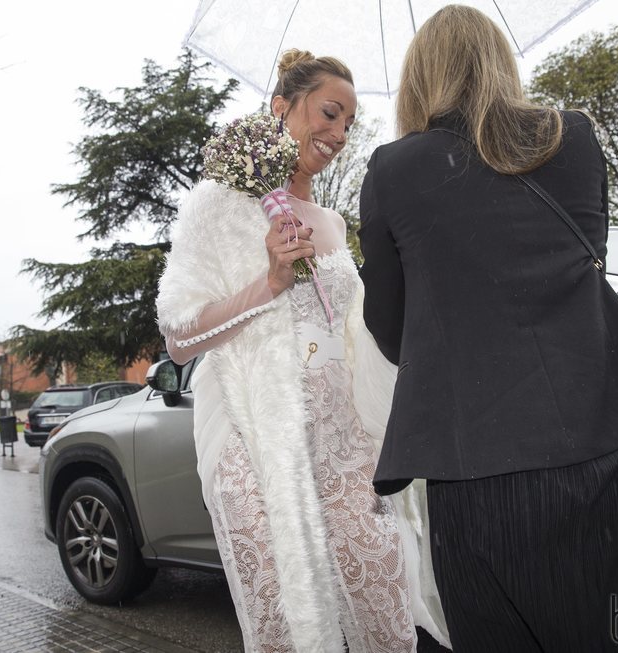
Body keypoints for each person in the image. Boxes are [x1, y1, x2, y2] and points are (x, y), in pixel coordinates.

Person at [358, 5, 618, 652]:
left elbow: (390, 330)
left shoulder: (392, 170)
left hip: (477, 481)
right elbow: (582, 265)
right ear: (500, 61)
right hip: (616, 450)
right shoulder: (576, 136)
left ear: (420, 80)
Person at [156, 49, 422, 652]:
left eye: (349, 124)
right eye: (329, 113)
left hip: (346, 447)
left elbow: (353, 333)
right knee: (286, 627)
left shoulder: (330, 221)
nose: (339, 134)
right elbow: (178, 340)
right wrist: (270, 282)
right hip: (254, 446)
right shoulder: (217, 206)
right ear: (282, 108)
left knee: (387, 615)